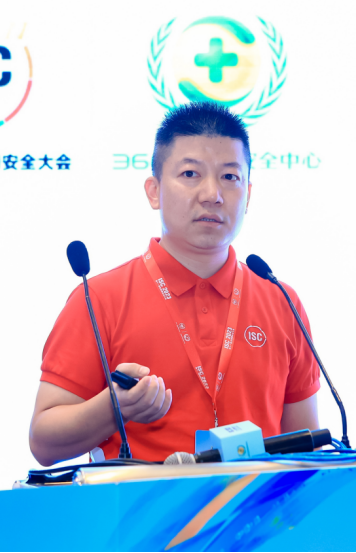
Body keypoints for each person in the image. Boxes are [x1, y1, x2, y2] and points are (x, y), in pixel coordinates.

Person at [29, 102, 320, 464]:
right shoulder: (100, 298)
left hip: (257, 501)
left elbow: (307, 447)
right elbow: (44, 442)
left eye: (230, 177)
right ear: (154, 191)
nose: (212, 194)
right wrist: (114, 408)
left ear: (248, 194)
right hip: (137, 502)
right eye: (190, 174)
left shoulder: (280, 300)